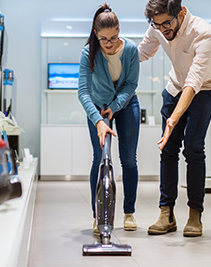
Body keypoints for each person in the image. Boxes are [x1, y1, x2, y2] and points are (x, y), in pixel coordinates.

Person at [138, 0, 211, 237]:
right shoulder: (157, 27)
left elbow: (194, 81)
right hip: (175, 88)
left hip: (204, 89)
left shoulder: (204, 33)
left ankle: (195, 213)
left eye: (167, 23)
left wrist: (173, 120)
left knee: (194, 148)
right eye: (157, 25)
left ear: (181, 12)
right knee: (167, 149)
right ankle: (166, 213)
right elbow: (143, 52)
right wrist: (112, 57)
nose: (163, 29)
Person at [78, 3, 140, 235]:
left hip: (126, 104)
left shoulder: (131, 49)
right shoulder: (89, 53)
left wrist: (115, 108)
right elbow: (83, 92)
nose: (110, 44)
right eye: (104, 39)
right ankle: (97, 216)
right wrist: (99, 120)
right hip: (97, 107)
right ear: (96, 34)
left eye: (114, 37)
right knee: (100, 158)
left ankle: (129, 212)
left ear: (119, 30)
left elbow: (131, 84)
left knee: (129, 160)